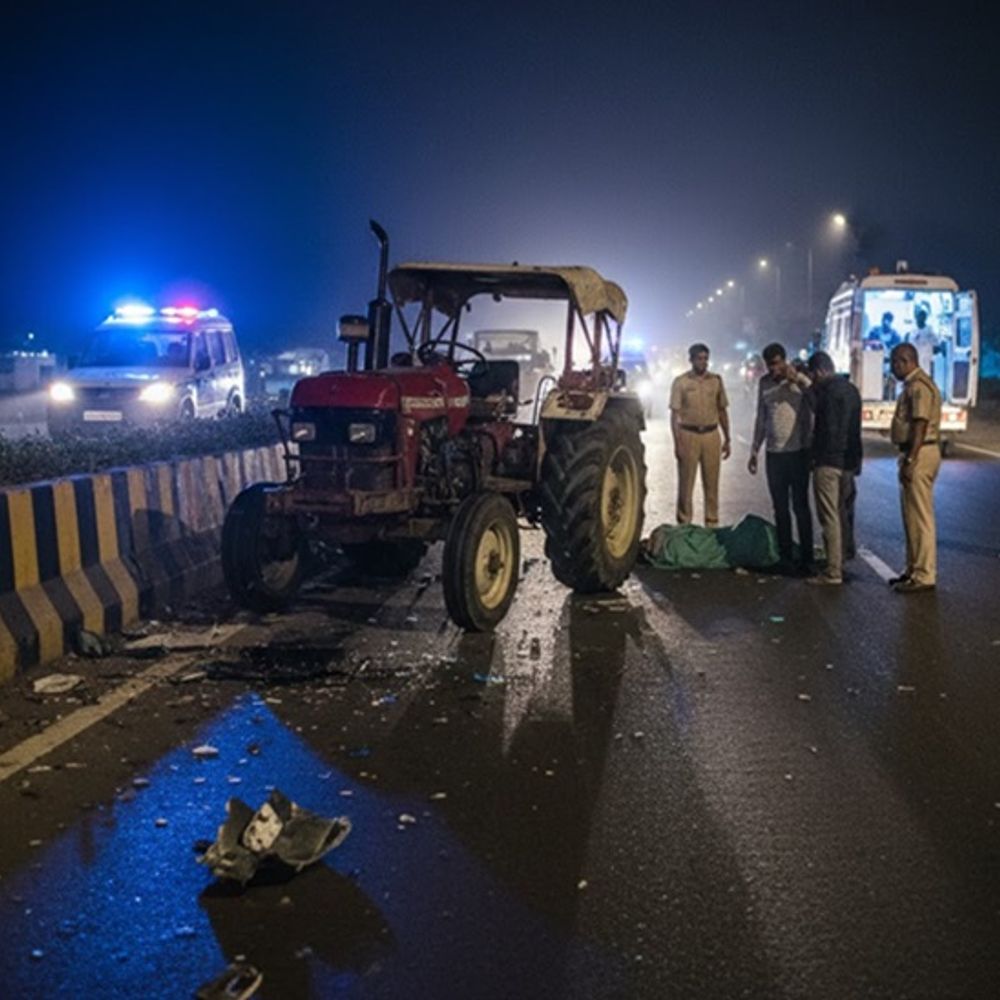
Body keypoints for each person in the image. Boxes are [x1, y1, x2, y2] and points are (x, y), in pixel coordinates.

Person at [747, 342, 814, 575]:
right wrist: (755, 449)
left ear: (784, 360)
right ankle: (785, 557)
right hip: (774, 454)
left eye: (777, 364)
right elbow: (761, 417)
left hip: (797, 453)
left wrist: (797, 379)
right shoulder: (764, 383)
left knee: (801, 506)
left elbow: (816, 396)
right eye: (770, 365)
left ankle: (807, 559)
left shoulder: (799, 380)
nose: (774, 369)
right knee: (780, 508)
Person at [888, 342, 942, 593]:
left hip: (921, 452)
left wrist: (911, 458)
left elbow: (920, 424)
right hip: (917, 451)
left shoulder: (919, 387)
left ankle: (924, 574)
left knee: (920, 517)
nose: (892, 368)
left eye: (894, 362)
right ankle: (913, 569)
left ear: (905, 360)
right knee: (910, 516)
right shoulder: (912, 385)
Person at [805, 351, 862, 585]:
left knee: (829, 516)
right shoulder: (851, 390)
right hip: (848, 463)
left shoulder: (826, 394)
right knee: (842, 513)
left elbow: (825, 430)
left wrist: (815, 458)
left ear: (819, 371)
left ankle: (832, 571)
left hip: (828, 462)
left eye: (813, 375)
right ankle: (842, 558)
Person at [670, 343, 731, 526]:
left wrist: (727, 438)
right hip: (689, 434)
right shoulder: (681, 382)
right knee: (686, 484)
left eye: (705, 358)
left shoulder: (716, 381)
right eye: (699, 358)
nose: (703, 362)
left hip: (711, 435)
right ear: (691, 360)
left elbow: (722, 411)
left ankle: (711, 525)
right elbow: (675, 415)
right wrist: (677, 442)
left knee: (712, 484)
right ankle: (684, 524)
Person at [908, 303, 941, 377]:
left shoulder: (929, 331)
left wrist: (928, 351)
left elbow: (937, 347)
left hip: (926, 362)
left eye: (922, 317)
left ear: (925, 319)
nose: (919, 319)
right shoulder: (912, 331)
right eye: (918, 317)